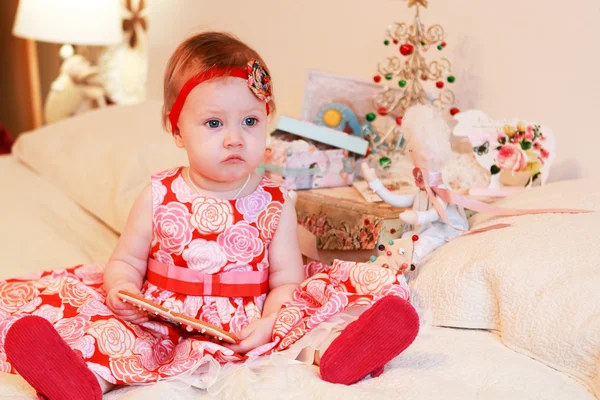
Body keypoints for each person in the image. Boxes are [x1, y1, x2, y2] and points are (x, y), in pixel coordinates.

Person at [0, 32, 419, 400]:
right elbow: (126, 260)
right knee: (116, 340)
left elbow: (286, 280)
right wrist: (121, 291)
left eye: (250, 121)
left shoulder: (275, 202)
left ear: (266, 122)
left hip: (247, 321)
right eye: (214, 123)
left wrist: (271, 321)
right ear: (177, 130)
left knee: (308, 321)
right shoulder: (159, 193)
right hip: (161, 319)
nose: (235, 138)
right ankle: (79, 378)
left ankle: (341, 355)